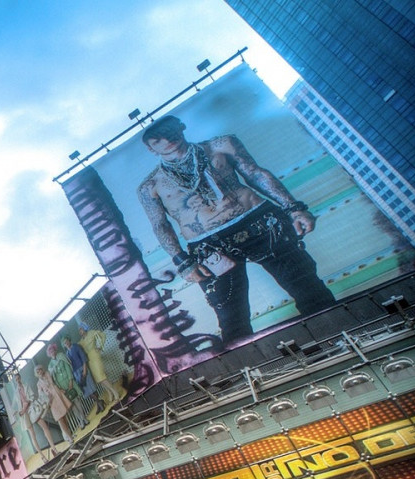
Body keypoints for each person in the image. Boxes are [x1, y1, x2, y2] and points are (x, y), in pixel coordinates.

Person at [136, 115, 338, 347]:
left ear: (181, 127)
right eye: (157, 139)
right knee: (231, 317)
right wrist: (183, 261)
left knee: (307, 287)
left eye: (170, 131)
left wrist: (293, 208)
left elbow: (255, 174)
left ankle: (338, 339)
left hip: (259, 222)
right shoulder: (150, 186)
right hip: (208, 244)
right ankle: (250, 375)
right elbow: (160, 225)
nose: (166, 140)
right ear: (150, 148)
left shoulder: (221, 145)